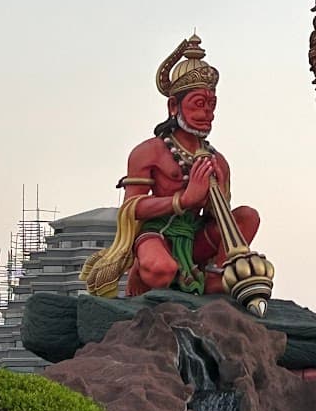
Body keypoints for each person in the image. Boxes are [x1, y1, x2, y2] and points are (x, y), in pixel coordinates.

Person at [80, 36, 261, 297]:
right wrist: (183, 200)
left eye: (212, 105)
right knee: (161, 269)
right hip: (158, 235)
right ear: (174, 105)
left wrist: (217, 193)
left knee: (248, 216)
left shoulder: (217, 160)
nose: (207, 113)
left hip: (195, 237)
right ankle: (143, 276)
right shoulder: (149, 151)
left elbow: (217, 220)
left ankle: (215, 275)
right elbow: (131, 208)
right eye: (198, 104)